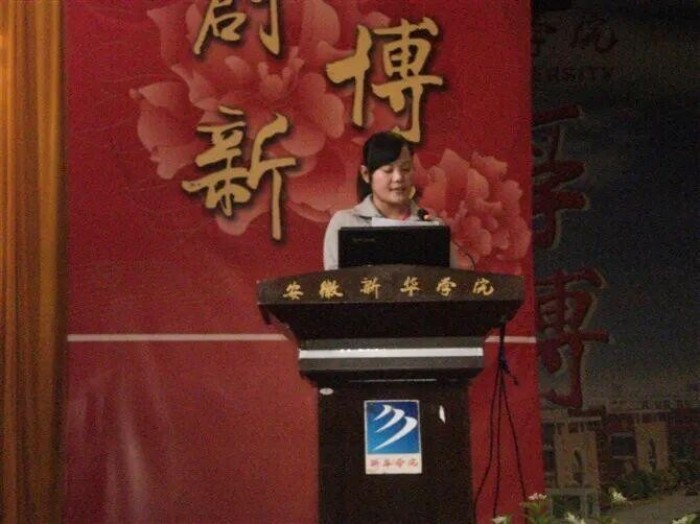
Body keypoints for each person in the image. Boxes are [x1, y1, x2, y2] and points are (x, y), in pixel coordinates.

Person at [323, 131, 425, 270]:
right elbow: (335, 280)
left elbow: (448, 279)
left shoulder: (431, 225)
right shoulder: (345, 223)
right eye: (388, 170)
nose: (398, 177)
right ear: (366, 174)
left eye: (406, 169)